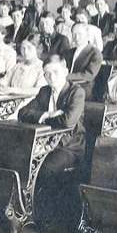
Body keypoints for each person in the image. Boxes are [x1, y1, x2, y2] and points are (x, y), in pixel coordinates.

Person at [18, 57, 86, 221]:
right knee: (20, 161)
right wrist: (47, 115)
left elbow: (68, 121)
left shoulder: (76, 92)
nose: (51, 77)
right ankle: (25, 209)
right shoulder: (44, 91)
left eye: (55, 72)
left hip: (70, 146)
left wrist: (45, 119)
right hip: (45, 143)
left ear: (65, 71)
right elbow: (23, 113)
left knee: (46, 169)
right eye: (47, 73)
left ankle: (45, 216)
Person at [0, 39, 46, 119]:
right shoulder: (18, 66)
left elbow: (39, 90)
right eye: (23, 48)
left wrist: (13, 90)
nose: (25, 51)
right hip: (10, 99)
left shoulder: (41, 68)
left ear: (37, 49)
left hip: (28, 103)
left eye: (29, 48)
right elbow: (5, 80)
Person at [64, 22, 104, 96]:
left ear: (87, 34)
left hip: (83, 88)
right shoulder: (70, 52)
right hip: (67, 86)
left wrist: (66, 76)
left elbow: (88, 76)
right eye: (74, 34)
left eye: (80, 34)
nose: (76, 37)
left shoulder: (95, 53)